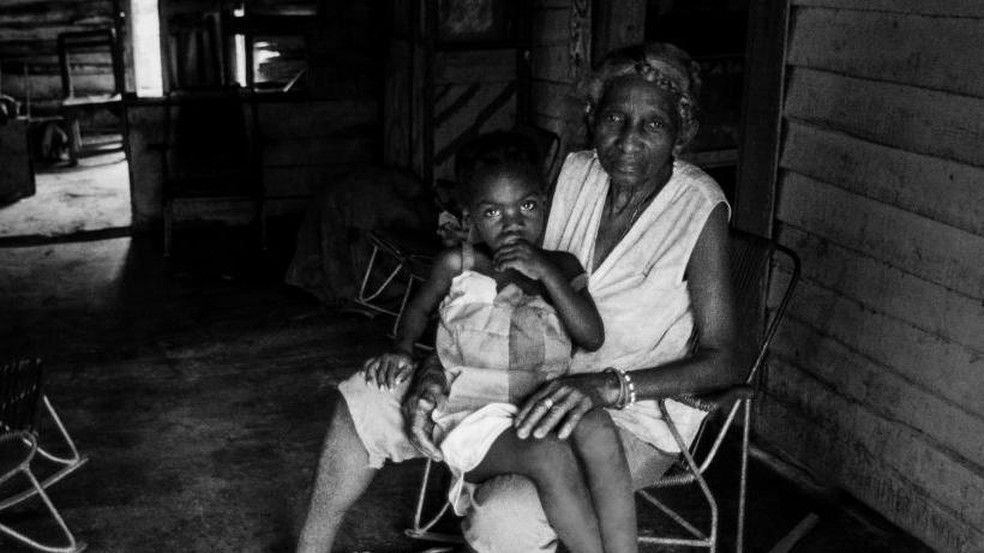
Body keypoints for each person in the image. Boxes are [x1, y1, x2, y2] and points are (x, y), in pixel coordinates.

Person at [296, 41, 738, 553]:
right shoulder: (577, 172)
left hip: (626, 414)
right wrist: (436, 368)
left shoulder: (698, 208)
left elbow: (726, 357)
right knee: (368, 397)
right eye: (614, 118)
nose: (628, 142)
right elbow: (508, 280)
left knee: (504, 518)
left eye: (654, 125)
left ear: (681, 132)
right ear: (593, 117)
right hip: (523, 372)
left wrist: (610, 387)